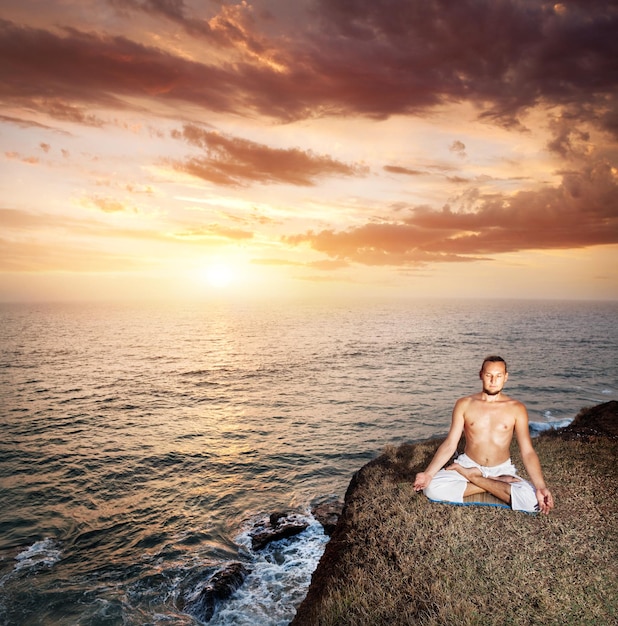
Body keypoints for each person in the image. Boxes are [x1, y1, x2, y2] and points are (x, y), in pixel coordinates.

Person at [413, 356, 554, 514]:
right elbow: (450, 444)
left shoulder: (517, 408)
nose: (493, 380)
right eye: (489, 375)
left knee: (534, 502)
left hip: (502, 469)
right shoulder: (464, 404)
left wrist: (541, 487)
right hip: (468, 463)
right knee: (431, 488)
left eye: (498, 375)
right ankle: (492, 483)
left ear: (506, 377)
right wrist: (428, 474)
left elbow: (527, 451)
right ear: (481, 375)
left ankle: (476, 478)